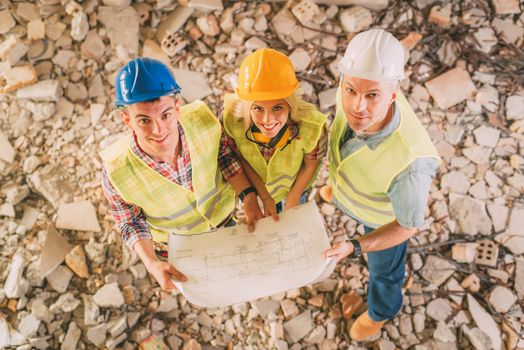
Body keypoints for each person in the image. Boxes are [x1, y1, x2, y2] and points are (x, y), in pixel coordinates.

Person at [100, 58, 263, 291]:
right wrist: (153, 264)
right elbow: (130, 222)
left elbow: (224, 157)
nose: (158, 130)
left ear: (177, 107)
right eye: (144, 120)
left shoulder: (203, 122)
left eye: (165, 115)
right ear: (127, 120)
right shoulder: (115, 171)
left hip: (223, 221)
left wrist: (248, 197)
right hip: (176, 245)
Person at [322, 29, 441, 341]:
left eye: (372, 95)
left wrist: (356, 246)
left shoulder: (410, 166)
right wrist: (405, 45)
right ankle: (340, 195)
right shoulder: (357, 83)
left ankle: (381, 312)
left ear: (393, 93)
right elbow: (381, 65)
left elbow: (407, 226)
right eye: (350, 90)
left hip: (380, 220)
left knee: (385, 272)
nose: (358, 107)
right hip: (357, 193)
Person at [222, 48, 328, 216]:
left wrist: (293, 197)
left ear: (290, 103)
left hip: (293, 187)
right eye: (257, 108)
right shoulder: (232, 120)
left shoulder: (312, 127)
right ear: (247, 105)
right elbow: (240, 158)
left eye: (277, 107)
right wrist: (263, 196)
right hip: (255, 188)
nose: (268, 120)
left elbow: (311, 164)